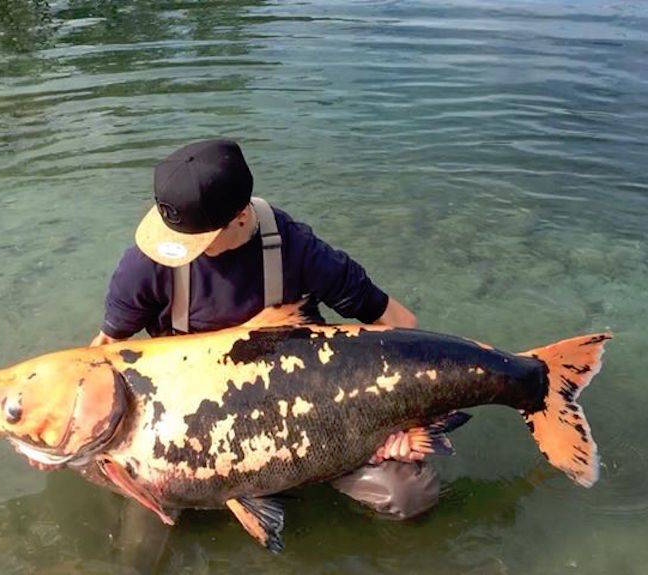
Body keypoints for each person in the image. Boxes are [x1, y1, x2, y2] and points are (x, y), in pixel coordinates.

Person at [91, 138, 437, 518]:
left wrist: (399, 421)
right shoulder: (147, 263)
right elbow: (102, 353)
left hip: (314, 421)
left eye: (189, 243)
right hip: (189, 436)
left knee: (409, 495)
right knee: (140, 533)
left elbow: (402, 326)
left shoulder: (298, 249)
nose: (170, 250)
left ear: (240, 216)